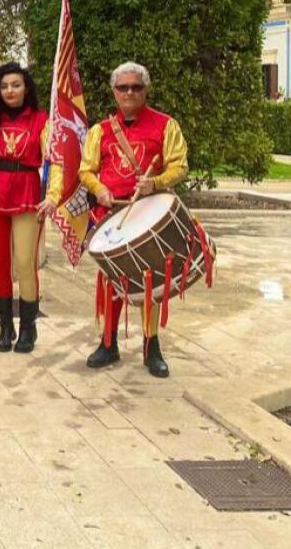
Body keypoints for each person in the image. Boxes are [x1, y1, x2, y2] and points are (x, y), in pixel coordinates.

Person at [80, 61, 188, 378]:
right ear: (114, 91)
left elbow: (180, 166)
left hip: (147, 215)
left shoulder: (166, 125)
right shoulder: (100, 131)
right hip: (111, 217)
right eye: (123, 87)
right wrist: (99, 189)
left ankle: (151, 347)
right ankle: (108, 343)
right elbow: (86, 170)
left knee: (150, 280)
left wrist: (156, 182)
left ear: (145, 90)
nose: (129, 92)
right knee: (110, 281)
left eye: (136, 87)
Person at [0, 63, 61, 354]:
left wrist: (53, 195)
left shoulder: (41, 120)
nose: (10, 91)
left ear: (26, 88)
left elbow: (55, 159)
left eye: (16, 85)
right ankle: (5, 326)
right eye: (4, 86)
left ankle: (28, 327)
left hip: (27, 192)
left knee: (25, 263)